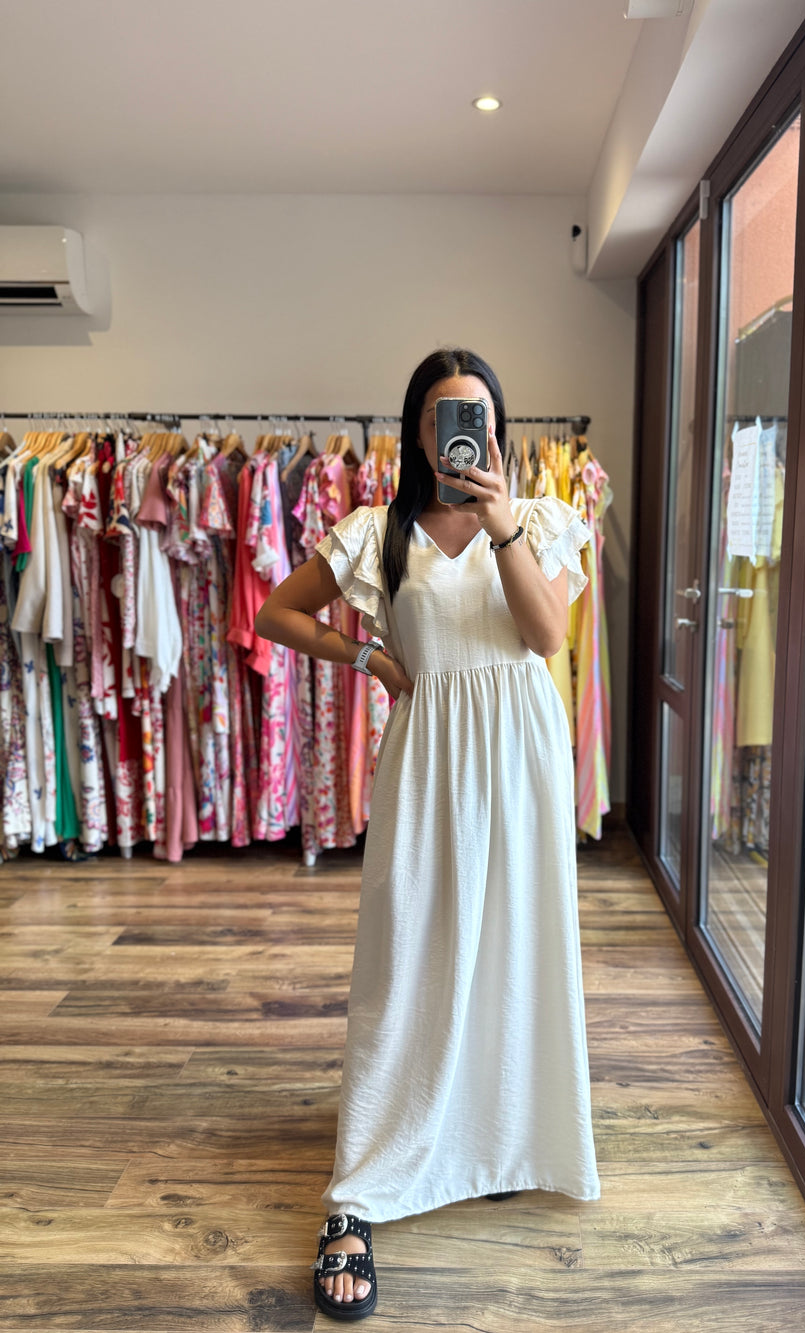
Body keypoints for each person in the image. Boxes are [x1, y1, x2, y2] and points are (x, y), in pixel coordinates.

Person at [255, 348, 600, 1322]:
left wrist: (501, 524)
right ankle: (359, 1188)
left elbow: (544, 637)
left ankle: (495, 1137)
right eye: (446, 414)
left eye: (479, 415)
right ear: (416, 429)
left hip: (521, 755)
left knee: (515, 946)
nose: (463, 432)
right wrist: (368, 654)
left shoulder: (538, 519)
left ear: (499, 428)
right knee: (407, 952)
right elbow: (277, 612)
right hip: (430, 752)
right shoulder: (377, 530)